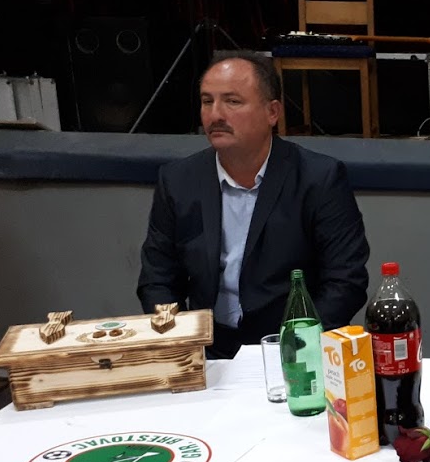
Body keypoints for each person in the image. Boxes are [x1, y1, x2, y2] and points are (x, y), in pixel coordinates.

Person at [137, 51, 370, 359]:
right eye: (207, 101)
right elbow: (158, 279)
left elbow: (345, 281)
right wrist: (180, 345)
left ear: (272, 112)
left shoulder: (318, 179)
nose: (215, 115)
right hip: (206, 348)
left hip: (292, 347)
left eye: (232, 101)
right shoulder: (178, 180)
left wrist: (298, 347)